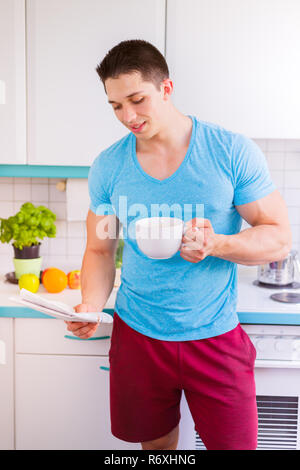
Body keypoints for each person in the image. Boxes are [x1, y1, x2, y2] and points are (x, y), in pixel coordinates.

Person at [65, 39, 292, 450]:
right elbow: (100, 249)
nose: (128, 116)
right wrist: (91, 306)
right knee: (155, 453)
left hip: (214, 337)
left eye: (137, 100)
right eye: (116, 106)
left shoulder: (230, 152)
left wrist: (217, 244)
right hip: (139, 337)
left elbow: (278, 236)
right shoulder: (108, 166)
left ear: (166, 89)